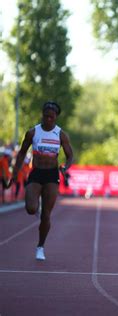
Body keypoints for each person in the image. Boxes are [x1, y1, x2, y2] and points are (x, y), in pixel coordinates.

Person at [7, 101, 73, 261]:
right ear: (42, 115)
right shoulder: (32, 132)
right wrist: (15, 173)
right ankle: (36, 207)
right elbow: (22, 153)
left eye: (51, 117)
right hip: (36, 173)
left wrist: (65, 167)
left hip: (51, 175)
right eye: (46, 116)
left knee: (46, 215)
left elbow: (70, 155)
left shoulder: (60, 134)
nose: (48, 119)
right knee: (30, 208)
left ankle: (40, 246)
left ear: (56, 117)